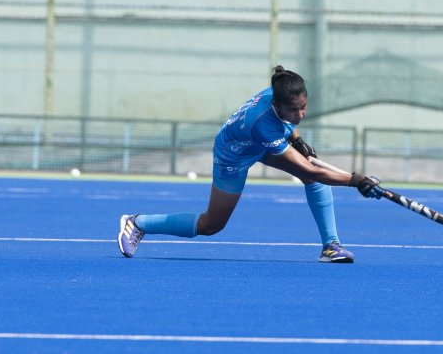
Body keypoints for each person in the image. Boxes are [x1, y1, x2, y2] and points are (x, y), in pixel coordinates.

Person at [117, 66, 383, 262]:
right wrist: (355, 181)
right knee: (211, 225)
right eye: (294, 110)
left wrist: (298, 141)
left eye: (304, 107)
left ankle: (331, 245)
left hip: (257, 144)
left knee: (312, 180)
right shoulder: (263, 124)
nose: (300, 114)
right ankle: (139, 223)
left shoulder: (279, 92)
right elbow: (308, 168)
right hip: (233, 154)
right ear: (277, 106)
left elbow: (288, 127)